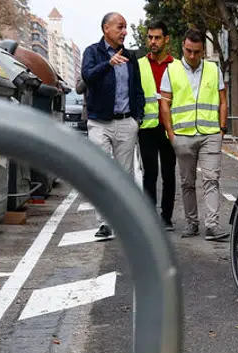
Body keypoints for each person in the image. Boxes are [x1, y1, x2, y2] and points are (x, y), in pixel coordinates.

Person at [160, 28, 229, 241]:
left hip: (210, 134)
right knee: (187, 182)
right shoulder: (171, 70)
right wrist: (171, 133)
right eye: (189, 51)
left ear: (202, 52)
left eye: (197, 52)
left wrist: (222, 129)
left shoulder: (213, 69)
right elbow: (164, 103)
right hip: (183, 135)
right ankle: (192, 223)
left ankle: (212, 226)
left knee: (211, 179)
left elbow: (223, 100)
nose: (192, 56)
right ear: (183, 47)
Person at [81, 12, 145, 239]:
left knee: (125, 175)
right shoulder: (92, 52)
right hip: (100, 122)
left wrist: (138, 118)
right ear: (106, 28)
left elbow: (137, 89)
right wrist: (108, 64)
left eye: (126, 27)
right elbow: (87, 77)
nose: (124, 32)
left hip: (126, 122)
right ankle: (105, 222)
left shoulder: (130, 56)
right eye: (120, 27)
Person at [139, 21, 176, 229]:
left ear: (166, 39)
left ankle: (166, 217)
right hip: (147, 127)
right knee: (150, 174)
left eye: (157, 38)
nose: (153, 42)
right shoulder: (140, 64)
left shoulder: (177, 66)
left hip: (170, 127)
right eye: (150, 37)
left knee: (169, 174)